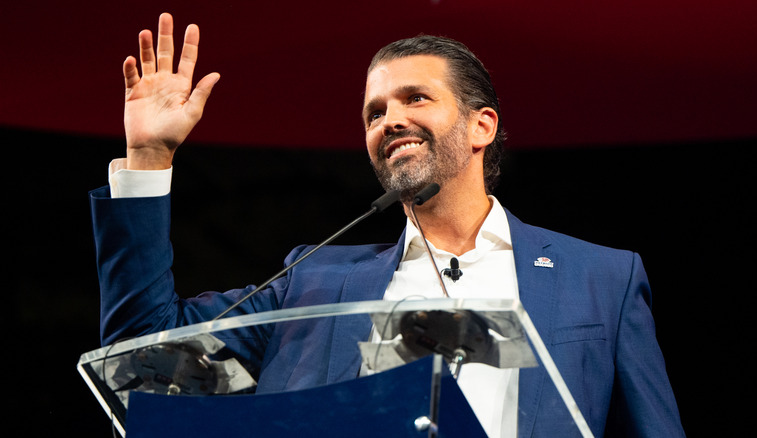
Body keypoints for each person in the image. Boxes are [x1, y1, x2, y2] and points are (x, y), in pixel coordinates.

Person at [91, 12, 685, 437]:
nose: (389, 120)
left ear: (482, 127)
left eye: (415, 99)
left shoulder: (600, 278)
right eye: (375, 112)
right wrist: (149, 158)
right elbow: (142, 365)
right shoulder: (315, 282)